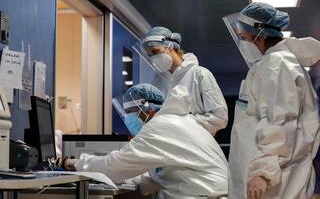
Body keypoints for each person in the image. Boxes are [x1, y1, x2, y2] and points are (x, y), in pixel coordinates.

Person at [223, 2, 320, 199]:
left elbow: (280, 119)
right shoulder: (272, 64)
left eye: (244, 38)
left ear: (260, 34)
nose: (243, 43)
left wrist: (263, 172)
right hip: (274, 179)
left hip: (276, 183)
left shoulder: (276, 65)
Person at [65, 83, 228, 199]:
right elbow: (159, 176)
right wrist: (127, 177)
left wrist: (76, 163)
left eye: (130, 112)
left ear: (147, 108)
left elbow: (115, 165)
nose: (128, 118)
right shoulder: (178, 122)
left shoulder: (161, 127)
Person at [141, 26, 228, 136]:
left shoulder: (199, 74)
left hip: (196, 145)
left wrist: (182, 124)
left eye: (156, 51)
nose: (154, 58)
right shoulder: (158, 82)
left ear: (170, 46)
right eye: (150, 55)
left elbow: (220, 117)